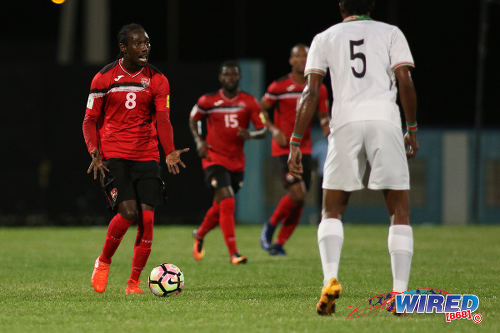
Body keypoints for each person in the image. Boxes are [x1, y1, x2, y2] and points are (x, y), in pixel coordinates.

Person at [287, 0, 418, 315]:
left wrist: (295, 141)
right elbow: (405, 82)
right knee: (398, 210)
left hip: (344, 122)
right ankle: (400, 294)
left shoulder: (325, 38)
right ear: (372, 5)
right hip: (385, 119)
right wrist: (411, 127)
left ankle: (330, 278)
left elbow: (310, 92)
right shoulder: (391, 33)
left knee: (332, 210)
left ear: (341, 6)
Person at [82, 23, 189, 294]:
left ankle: (134, 283)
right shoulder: (104, 78)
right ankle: (104, 261)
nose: (145, 48)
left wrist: (170, 151)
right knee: (128, 212)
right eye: (138, 44)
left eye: (147, 43)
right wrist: (94, 150)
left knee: (148, 219)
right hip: (114, 154)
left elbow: (163, 119)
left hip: (146, 154)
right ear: (123, 48)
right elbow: (89, 120)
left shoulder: (158, 79)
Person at [189, 60, 266, 265]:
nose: (229, 78)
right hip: (213, 158)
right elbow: (193, 118)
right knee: (228, 200)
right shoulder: (209, 100)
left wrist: (249, 134)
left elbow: (263, 129)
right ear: (220, 77)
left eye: (233, 75)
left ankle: (200, 233)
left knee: (220, 206)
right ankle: (233, 253)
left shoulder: (249, 102)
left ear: (239, 77)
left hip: (237, 162)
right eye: (226, 75)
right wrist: (199, 140)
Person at [259, 44, 330, 256]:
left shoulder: (318, 88)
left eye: (305, 56)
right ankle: (270, 227)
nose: (301, 59)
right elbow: (261, 110)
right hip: (283, 148)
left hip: (304, 148)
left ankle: (280, 243)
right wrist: (272, 129)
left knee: (300, 199)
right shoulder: (279, 86)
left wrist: (331, 134)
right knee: (298, 194)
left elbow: (324, 117)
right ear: (291, 61)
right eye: (297, 56)